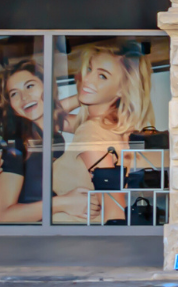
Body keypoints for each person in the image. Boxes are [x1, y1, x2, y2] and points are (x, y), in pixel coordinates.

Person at [51, 40, 154, 225]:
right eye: (89, 69)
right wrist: (85, 93)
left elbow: (114, 208)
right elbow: (44, 120)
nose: (88, 79)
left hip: (77, 241)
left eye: (103, 76)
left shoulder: (91, 131)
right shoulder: (111, 127)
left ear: (123, 89)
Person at [0, 58, 48, 223]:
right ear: (10, 105)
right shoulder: (14, 144)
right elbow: (5, 216)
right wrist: (61, 203)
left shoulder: (51, 137)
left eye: (30, 86)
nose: (24, 97)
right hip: (31, 241)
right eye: (14, 93)